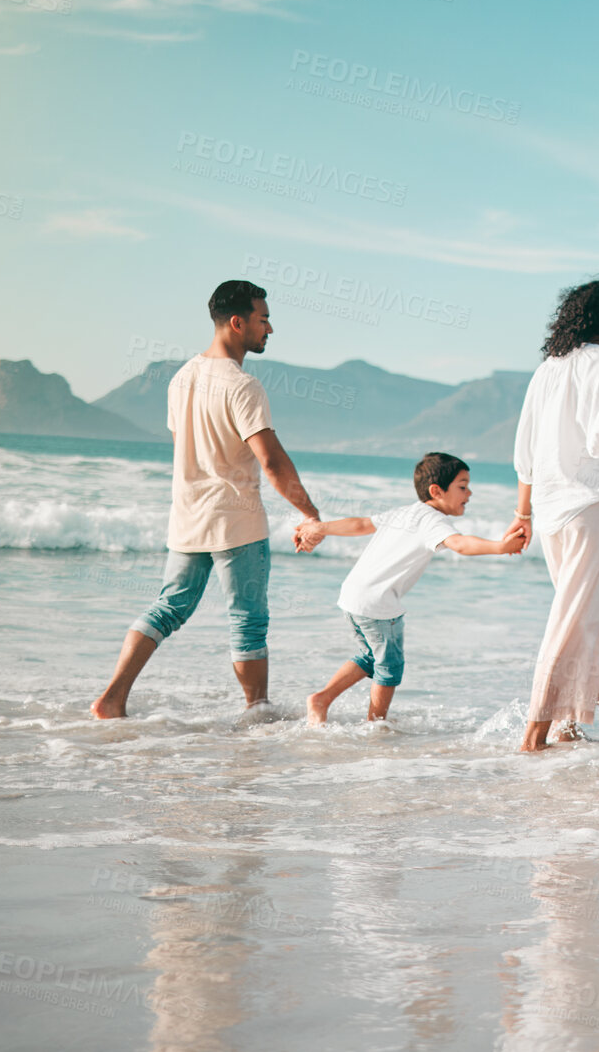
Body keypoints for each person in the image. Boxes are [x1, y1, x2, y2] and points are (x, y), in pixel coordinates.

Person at [91, 280, 320, 722]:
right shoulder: (243, 385)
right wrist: (310, 513)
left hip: (187, 516)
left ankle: (112, 698)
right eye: (263, 318)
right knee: (248, 619)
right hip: (236, 518)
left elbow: (186, 447)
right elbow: (271, 461)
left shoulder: (182, 379)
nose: (269, 328)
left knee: (168, 607)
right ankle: (258, 711)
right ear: (238, 322)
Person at [509, 277, 599, 753]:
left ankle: (570, 724)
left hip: (552, 510)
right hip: (591, 505)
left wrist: (523, 512)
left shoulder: (548, 368)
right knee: (575, 617)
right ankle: (536, 731)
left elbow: (525, 450)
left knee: (593, 611)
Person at [294, 452, 526, 725]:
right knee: (389, 668)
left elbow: (360, 524)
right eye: (462, 487)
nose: (470, 493)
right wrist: (500, 547)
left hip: (353, 596)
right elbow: (460, 545)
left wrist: (321, 527)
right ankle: (375, 725)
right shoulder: (433, 520)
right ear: (436, 491)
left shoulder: (404, 512)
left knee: (370, 656)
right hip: (379, 605)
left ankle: (322, 700)